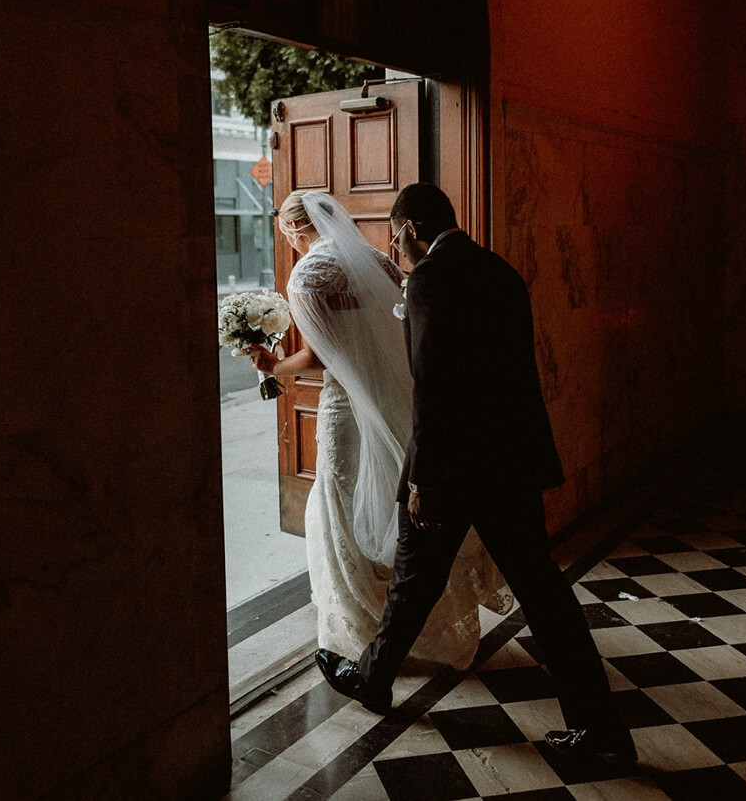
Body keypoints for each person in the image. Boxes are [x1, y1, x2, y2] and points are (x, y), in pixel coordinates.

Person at [313, 183, 636, 768]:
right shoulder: (500, 270)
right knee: (531, 590)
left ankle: (373, 678)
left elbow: (434, 385)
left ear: (411, 228)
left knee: (417, 577)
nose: (394, 247)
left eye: (395, 235)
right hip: (507, 463)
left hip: (454, 468)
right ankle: (599, 726)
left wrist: (424, 479)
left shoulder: (432, 280)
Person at [249, 190, 511, 672]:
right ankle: (407, 630)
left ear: (291, 229)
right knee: (392, 509)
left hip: (344, 409)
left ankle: (359, 629)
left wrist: (273, 364)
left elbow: (322, 357)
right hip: (399, 403)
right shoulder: (380, 263)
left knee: (343, 508)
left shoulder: (305, 275)